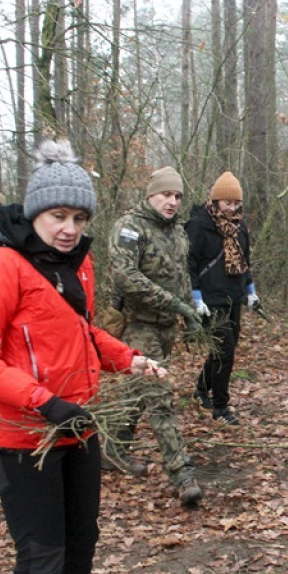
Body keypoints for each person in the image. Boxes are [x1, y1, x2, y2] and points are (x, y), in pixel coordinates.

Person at [0, 139, 167, 574]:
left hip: (80, 427)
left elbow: (81, 332)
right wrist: (44, 402)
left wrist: (129, 359)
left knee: (81, 538)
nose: (68, 227)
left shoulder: (80, 264)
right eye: (56, 215)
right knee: (41, 555)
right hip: (21, 436)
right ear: (34, 213)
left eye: (77, 216)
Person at [104, 166, 204, 507]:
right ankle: (182, 474)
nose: (172, 201)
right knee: (159, 398)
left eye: (177, 195)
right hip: (137, 326)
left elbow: (182, 276)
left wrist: (189, 311)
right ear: (150, 195)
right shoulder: (130, 228)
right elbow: (125, 277)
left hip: (166, 327)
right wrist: (178, 304)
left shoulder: (177, 232)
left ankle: (113, 450)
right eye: (165, 194)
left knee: (136, 394)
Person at [186, 171, 261, 426]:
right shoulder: (199, 225)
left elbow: (244, 262)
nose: (231, 208)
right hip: (209, 300)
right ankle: (220, 407)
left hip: (234, 297)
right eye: (226, 202)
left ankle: (201, 388)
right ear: (215, 200)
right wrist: (196, 298)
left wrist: (251, 292)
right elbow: (190, 264)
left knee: (222, 351)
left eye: (235, 203)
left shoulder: (240, 227)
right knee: (225, 352)